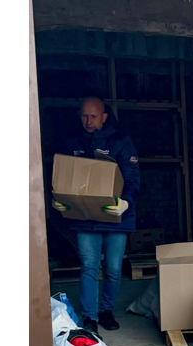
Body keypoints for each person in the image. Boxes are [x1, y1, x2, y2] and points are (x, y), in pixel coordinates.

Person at [52, 97, 141, 333]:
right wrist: (59, 199)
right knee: (89, 267)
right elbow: (60, 174)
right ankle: (90, 317)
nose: (88, 121)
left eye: (93, 116)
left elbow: (132, 178)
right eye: (84, 116)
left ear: (104, 116)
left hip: (115, 216)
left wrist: (126, 202)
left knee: (112, 268)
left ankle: (106, 311)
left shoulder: (121, 142)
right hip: (85, 217)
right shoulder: (71, 142)